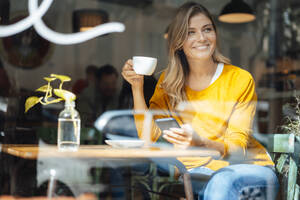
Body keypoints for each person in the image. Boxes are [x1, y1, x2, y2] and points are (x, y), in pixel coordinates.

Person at [122, 2, 279, 200]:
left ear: (215, 34)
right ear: (178, 41)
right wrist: (137, 87)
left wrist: (201, 143)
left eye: (207, 29)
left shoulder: (239, 79)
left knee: (221, 182)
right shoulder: (168, 83)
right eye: (191, 32)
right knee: (209, 182)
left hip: (248, 168)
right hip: (198, 173)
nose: (202, 38)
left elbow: (238, 146)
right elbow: (150, 135)